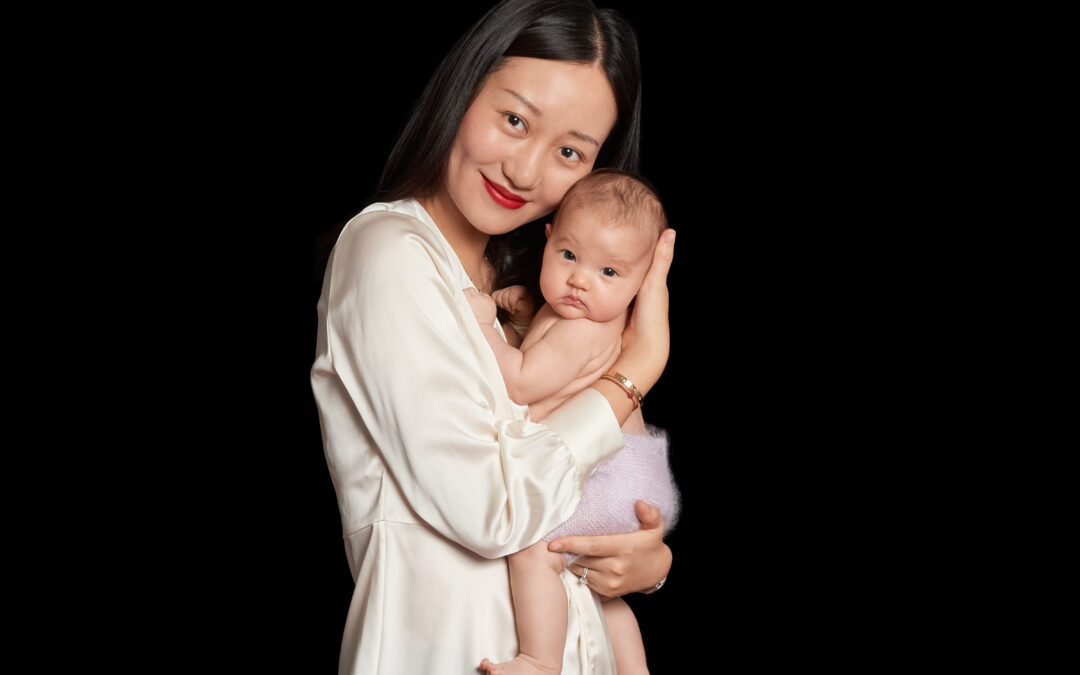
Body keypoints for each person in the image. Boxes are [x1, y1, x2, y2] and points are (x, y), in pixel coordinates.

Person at [310, 1, 677, 672]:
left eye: (569, 151)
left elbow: (582, 507)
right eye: (514, 120)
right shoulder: (388, 251)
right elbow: (492, 511)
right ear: (465, 87)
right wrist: (636, 368)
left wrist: (643, 560)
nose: (527, 172)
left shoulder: (539, 289)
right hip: (445, 651)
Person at [466, 168, 679, 675]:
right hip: (634, 475)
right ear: (548, 239)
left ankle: (541, 661)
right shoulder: (569, 315)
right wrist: (523, 320)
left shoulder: (583, 330)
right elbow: (556, 377)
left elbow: (520, 384)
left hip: (611, 474)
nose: (581, 279)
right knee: (600, 591)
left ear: (644, 284)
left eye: (610, 273)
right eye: (569, 256)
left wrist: (487, 328)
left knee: (535, 548)